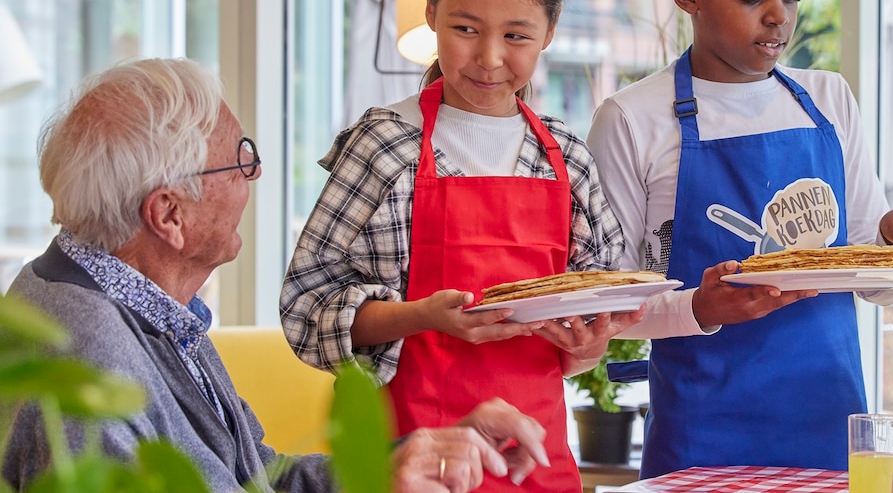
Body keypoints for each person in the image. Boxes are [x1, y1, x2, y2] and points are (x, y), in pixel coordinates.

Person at [0, 58, 551, 493]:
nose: (256, 172)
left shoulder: (141, 304)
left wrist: (398, 463)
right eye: (240, 158)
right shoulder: (86, 362)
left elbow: (259, 478)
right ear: (169, 215)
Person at [586, 0, 893, 478]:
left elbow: (873, 280)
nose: (778, 17)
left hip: (832, 429)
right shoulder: (632, 118)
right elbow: (611, 304)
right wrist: (700, 309)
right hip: (700, 440)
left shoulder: (830, 98)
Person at [279, 0, 637, 491]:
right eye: (465, 29)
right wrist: (420, 317)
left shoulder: (568, 159)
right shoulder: (386, 146)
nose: (489, 58)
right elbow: (305, 311)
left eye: (517, 36)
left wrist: (588, 342)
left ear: (550, 32)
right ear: (430, 11)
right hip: (410, 464)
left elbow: (596, 321)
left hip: (540, 462)